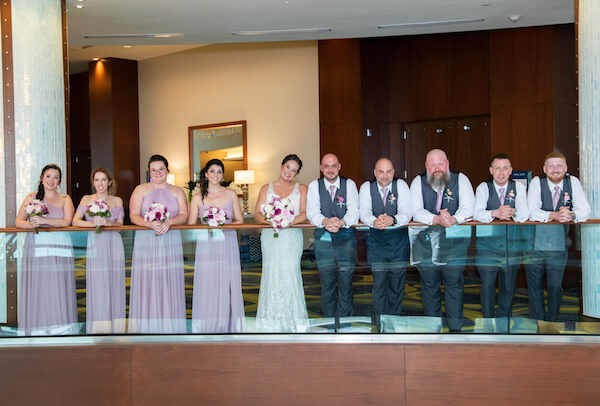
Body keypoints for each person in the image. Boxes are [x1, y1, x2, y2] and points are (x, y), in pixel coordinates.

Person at [409, 149, 474, 332]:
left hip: (454, 244)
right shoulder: (417, 182)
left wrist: (452, 219)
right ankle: (432, 329)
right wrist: (436, 219)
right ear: (426, 167)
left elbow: (469, 207)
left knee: (454, 285)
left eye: (441, 164)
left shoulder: (461, 179)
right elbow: (415, 210)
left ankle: (456, 329)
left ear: (447, 164)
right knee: (430, 286)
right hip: (426, 244)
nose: (437, 168)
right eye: (433, 165)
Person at [526, 151, 590, 322]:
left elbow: (585, 211)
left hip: (558, 246)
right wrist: (554, 215)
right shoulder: (536, 183)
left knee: (555, 286)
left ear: (566, 168)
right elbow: (532, 212)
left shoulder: (572, 182)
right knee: (535, 288)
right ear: (545, 169)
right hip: (533, 246)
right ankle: (537, 323)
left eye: (559, 165)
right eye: (551, 166)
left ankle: (552, 322)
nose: (555, 169)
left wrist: (572, 215)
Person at [128, 154, 189, 333]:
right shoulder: (141, 189)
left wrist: (169, 222)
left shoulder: (178, 191)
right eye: (153, 170)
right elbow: (133, 215)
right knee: (148, 277)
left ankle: (171, 324)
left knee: (169, 277)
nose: (157, 173)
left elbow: (184, 215)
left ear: (167, 170)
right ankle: (146, 324)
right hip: (146, 239)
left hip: (170, 239)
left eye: (161, 169)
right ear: (149, 171)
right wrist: (150, 224)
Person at [15, 164, 76, 335]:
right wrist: (31, 224)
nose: (51, 180)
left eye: (55, 177)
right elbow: (18, 221)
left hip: (60, 246)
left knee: (58, 284)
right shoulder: (32, 197)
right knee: (40, 285)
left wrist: (42, 221)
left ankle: (61, 327)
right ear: (42, 178)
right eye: (48, 176)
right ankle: (37, 328)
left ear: (59, 181)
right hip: (37, 246)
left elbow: (67, 222)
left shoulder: (65, 198)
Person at [188, 159, 245, 333]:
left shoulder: (230, 194)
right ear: (206, 174)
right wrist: (208, 225)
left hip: (227, 242)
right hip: (206, 244)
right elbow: (190, 224)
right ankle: (208, 322)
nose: (216, 175)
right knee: (208, 280)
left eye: (219, 171)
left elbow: (240, 220)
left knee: (227, 280)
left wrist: (222, 224)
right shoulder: (198, 197)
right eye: (212, 171)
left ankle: (226, 323)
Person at [254, 154, 309, 332]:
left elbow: (304, 213)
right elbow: (257, 214)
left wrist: (288, 222)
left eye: (294, 170)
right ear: (281, 166)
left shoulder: (301, 188)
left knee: (289, 273)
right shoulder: (266, 188)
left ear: (297, 173)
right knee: (271, 273)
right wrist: (273, 221)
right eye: (288, 167)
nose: (289, 172)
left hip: (291, 237)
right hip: (270, 235)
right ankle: (270, 322)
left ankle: (293, 322)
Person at [473, 154, 528, 319]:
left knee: (509, 288)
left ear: (511, 171)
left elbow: (525, 214)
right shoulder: (483, 187)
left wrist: (513, 212)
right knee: (487, 287)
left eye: (505, 168)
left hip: (512, 248)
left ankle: (504, 323)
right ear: (491, 170)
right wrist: (495, 213)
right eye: (497, 168)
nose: (501, 172)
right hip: (486, 249)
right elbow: (477, 214)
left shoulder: (518, 187)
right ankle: (488, 323)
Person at [359, 158, 412, 326]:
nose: (384, 175)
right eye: (381, 172)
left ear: (393, 172)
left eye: (388, 171)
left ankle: (394, 321)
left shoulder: (401, 185)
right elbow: (364, 212)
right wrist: (375, 221)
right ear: (375, 173)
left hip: (399, 243)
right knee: (379, 284)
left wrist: (392, 219)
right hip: (377, 243)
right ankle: (379, 323)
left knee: (397, 284)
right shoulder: (366, 187)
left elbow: (407, 212)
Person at [72, 168, 126, 334]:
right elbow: (75, 221)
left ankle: (116, 327)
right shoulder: (87, 199)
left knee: (114, 282)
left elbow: (120, 224)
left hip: (113, 243)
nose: (100, 184)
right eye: (97, 180)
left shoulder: (117, 200)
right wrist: (93, 224)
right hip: (95, 243)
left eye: (104, 180)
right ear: (93, 182)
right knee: (97, 281)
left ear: (110, 182)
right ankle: (98, 325)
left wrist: (108, 224)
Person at [307, 153, 359, 319]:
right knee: (326, 283)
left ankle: (345, 323)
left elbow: (354, 212)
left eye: (334, 166)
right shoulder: (314, 185)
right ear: (321, 168)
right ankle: (329, 322)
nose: (330, 170)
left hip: (346, 238)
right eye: (326, 166)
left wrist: (341, 222)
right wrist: (326, 221)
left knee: (346, 283)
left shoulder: (349, 184)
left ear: (339, 166)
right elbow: (312, 212)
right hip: (323, 237)